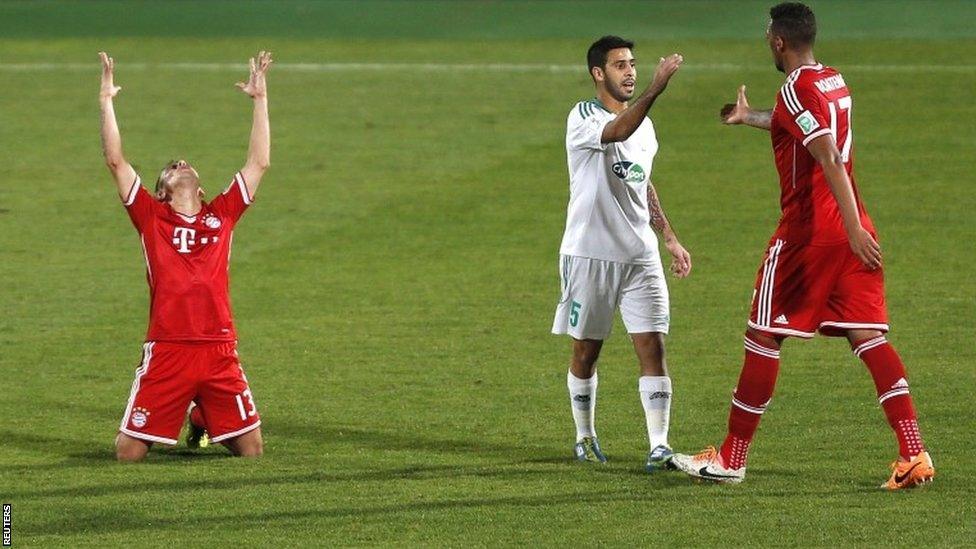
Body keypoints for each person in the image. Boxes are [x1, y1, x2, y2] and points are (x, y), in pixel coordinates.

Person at [670, 3, 934, 489]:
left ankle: (731, 457)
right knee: (868, 335)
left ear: (778, 41)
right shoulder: (833, 80)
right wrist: (752, 117)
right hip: (854, 229)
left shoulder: (794, 89)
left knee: (763, 335)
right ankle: (913, 452)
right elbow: (805, 127)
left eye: (767, 34)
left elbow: (827, 153)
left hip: (810, 235)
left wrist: (850, 229)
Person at [99, 50, 273, 461]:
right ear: (162, 191)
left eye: (184, 164)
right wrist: (106, 102)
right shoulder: (150, 217)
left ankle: (201, 419)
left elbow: (259, 162)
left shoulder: (222, 214)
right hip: (168, 347)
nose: (180, 164)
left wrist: (261, 100)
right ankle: (197, 412)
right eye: (171, 168)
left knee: (252, 452)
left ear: (199, 188)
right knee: (127, 454)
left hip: (218, 347)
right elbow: (115, 160)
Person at [552, 36, 691, 471]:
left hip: (640, 257)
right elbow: (617, 131)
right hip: (590, 255)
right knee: (586, 353)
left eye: (633, 64)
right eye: (620, 65)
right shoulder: (583, 117)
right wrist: (656, 87)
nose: (630, 72)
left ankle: (659, 445)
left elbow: (642, 180)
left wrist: (668, 235)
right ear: (598, 73)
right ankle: (585, 435)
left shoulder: (645, 126)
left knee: (653, 346)